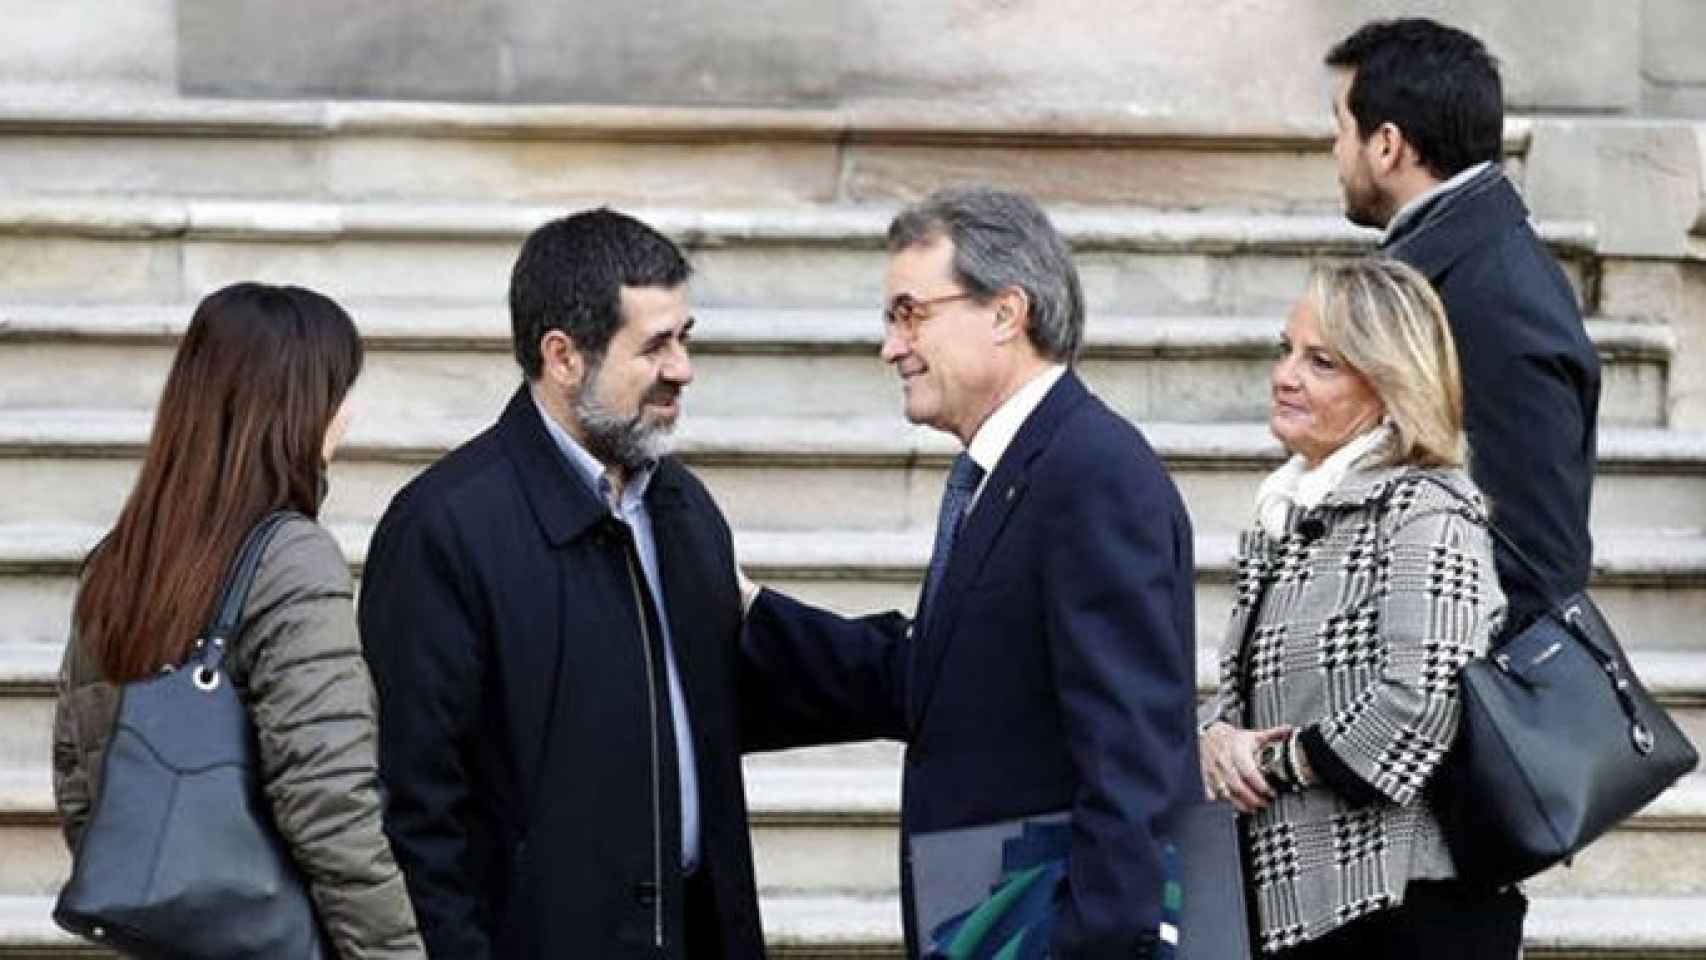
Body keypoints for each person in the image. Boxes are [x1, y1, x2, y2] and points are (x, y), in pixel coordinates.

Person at [737, 185, 1198, 958]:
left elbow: (1130, 757)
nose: (891, 346)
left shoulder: (1091, 473)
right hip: (990, 916)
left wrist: (1096, 943)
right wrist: (746, 611)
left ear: (1005, 313)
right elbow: (938, 673)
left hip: (1050, 929)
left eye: (911, 312)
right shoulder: (1011, 471)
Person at [358, 209, 765, 959]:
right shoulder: (443, 528)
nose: (683, 368)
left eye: (685, 338)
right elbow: (419, 814)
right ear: (563, 356)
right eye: (654, 345)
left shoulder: (684, 510)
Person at [52, 282, 425, 957]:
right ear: (302, 406)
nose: (347, 420)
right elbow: (330, 802)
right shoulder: (292, 559)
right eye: (341, 393)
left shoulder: (118, 560)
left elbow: (82, 778)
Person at [1198, 259, 1518, 957]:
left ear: (1387, 384)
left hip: (1402, 909)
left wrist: (1273, 761)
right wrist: (1217, 739)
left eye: (1322, 362)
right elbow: (1250, 692)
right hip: (1299, 902)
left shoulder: (1427, 508)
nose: (1286, 374)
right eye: (1285, 350)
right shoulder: (1291, 509)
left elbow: (1420, 705)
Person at [1324, 17, 1599, 631]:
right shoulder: (1450, 269)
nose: (1335, 151)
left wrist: (1420, 699)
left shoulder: (1494, 298)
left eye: (1341, 128)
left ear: (1387, 144)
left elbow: (1536, 565)